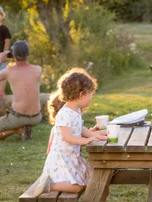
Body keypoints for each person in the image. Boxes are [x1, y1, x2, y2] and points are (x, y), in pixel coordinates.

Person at [34, 68, 108, 196]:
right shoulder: (65, 114)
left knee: (92, 179)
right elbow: (68, 137)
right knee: (78, 187)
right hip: (62, 159)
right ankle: (49, 185)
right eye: (90, 94)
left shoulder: (76, 111)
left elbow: (80, 129)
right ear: (81, 95)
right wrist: (87, 141)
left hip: (72, 157)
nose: (91, 97)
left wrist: (95, 134)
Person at [0, 40, 42, 142]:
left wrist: (0, 61)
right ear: (28, 54)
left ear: (13, 55)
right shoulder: (38, 69)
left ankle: (17, 130)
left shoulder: (8, 71)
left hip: (18, 117)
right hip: (37, 117)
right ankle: (24, 128)